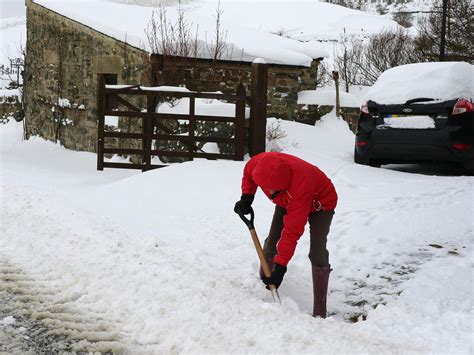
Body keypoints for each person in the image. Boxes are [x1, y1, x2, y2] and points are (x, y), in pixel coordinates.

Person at [234, 152, 337, 318]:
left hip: (321, 203)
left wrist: (281, 267)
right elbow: (248, 172)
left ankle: (320, 310)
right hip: (287, 199)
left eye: (273, 188)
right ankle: (265, 285)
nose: (270, 191)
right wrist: (247, 196)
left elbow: (291, 232)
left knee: (317, 252)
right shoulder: (260, 163)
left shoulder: (300, 187)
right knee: (271, 242)